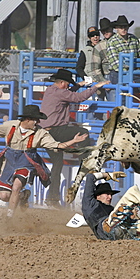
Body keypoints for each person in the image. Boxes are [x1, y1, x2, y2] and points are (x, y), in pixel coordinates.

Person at [0, 105, 88, 220]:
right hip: (10, 162)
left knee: (16, 186)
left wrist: (74, 140)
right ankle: (23, 196)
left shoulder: (41, 133)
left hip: (26, 162)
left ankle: (9, 217)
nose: (37, 122)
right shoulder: (10, 126)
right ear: (27, 119)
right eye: (35, 119)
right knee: (4, 195)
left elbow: (58, 145)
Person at [39, 68, 109, 208]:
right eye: (68, 83)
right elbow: (77, 97)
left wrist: (79, 85)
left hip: (45, 134)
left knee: (57, 165)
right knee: (83, 132)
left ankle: (52, 199)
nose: (68, 86)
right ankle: (85, 160)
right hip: (56, 131)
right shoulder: (61, 93)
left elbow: (68, 93)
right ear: (63, 83)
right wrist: (95, 87)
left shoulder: (50, 90)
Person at [106, 15, 140, 94]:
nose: (124, 29)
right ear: (116, 28)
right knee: (123, 94)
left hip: (134, 72)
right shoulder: (112, 41)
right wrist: (128, 77)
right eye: (121, 27)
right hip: (118, 74)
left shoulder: (133, 38)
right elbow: (116, 64)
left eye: (125, 27)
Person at [91, 17, 114, 101]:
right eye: (103, 31)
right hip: (105, 76)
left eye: (107, 30)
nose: (105, 32)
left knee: (116, 107)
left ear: (112, 28)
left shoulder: (119, 42)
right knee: (97, 106)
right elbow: (95, 67)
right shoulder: (99, 46)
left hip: (117, 76)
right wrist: (103, 81)